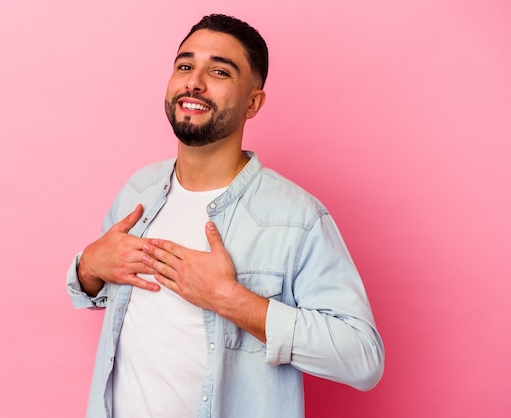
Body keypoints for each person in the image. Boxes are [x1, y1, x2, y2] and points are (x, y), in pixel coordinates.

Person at [67, 13, 384, 418]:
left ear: (253, 102)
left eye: (218, 71)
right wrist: (88, 268)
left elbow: (363, 358)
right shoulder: (139, 190)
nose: (193, 82)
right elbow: (110, 295)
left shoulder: (297, 218)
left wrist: (230, 300)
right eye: (185, 65)